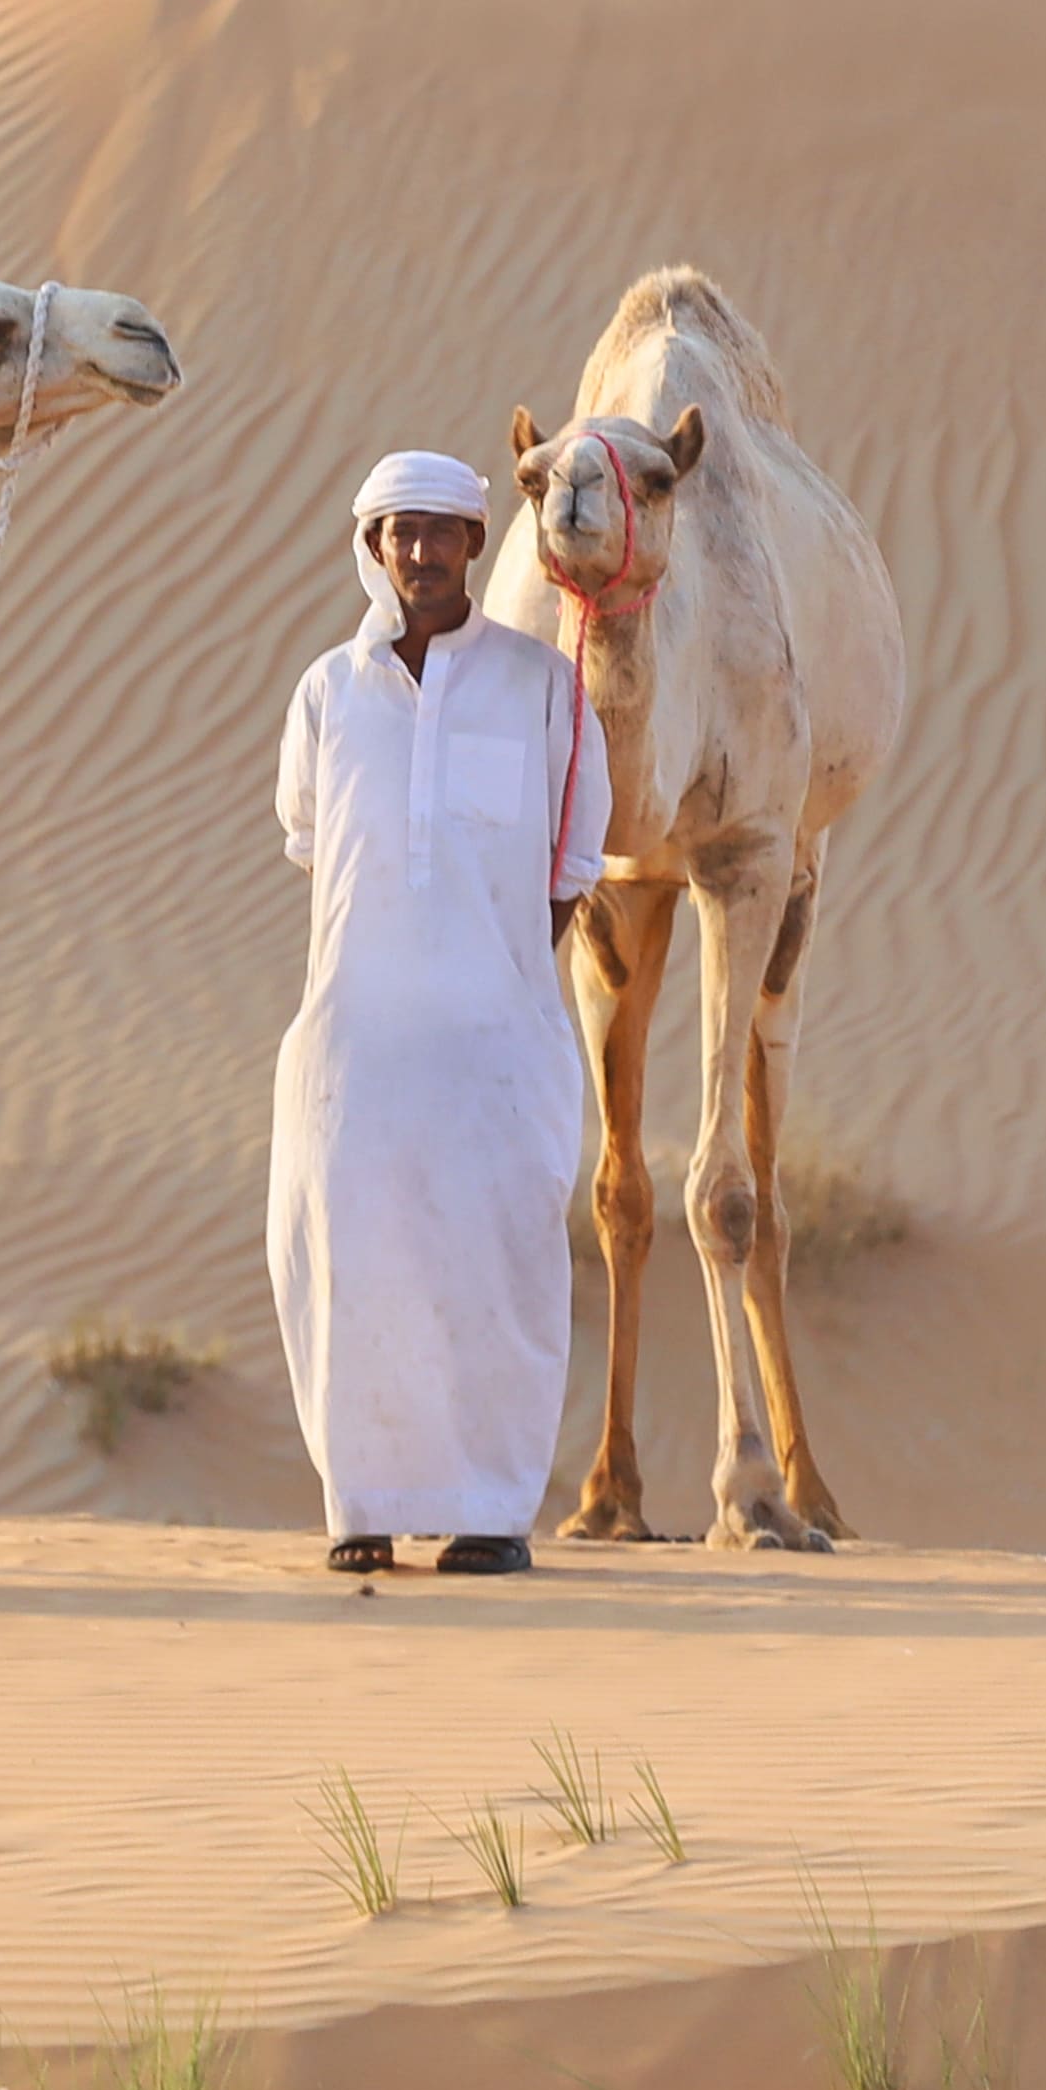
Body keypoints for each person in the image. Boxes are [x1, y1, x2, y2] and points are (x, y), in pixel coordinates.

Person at [266, 447, 614, 1575]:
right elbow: (313, 841)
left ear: (475, 542)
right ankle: (361, 1507)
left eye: (441, 530)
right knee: (352, 1258)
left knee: (498, 1267)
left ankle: (492, 1511)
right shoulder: (328, 688)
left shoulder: (543, 685)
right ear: (372, 546)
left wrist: (496, 969)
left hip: (498, 1045)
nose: (418, 551)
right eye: (397, 531)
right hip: (356, 1043)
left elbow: (571, 863)